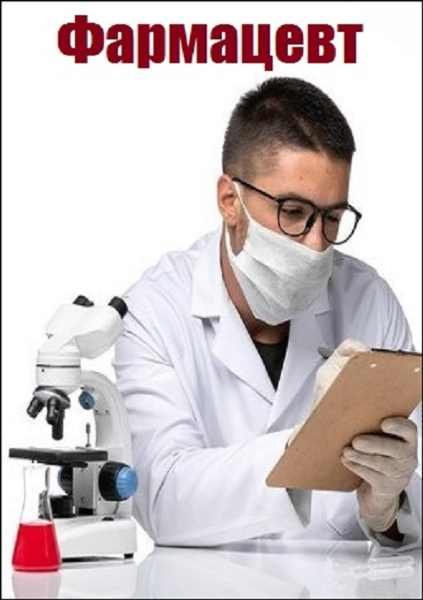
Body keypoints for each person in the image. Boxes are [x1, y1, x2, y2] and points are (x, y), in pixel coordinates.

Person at [113, 77, 421, 549]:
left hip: (341, 584)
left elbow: (414, 483)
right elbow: (162, 497)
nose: (316, 245)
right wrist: (307, 444)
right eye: (293, 212)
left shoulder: (369, 300)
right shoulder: (155, 310)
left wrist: (387, 510)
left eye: (333, 218)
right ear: (229, 201)